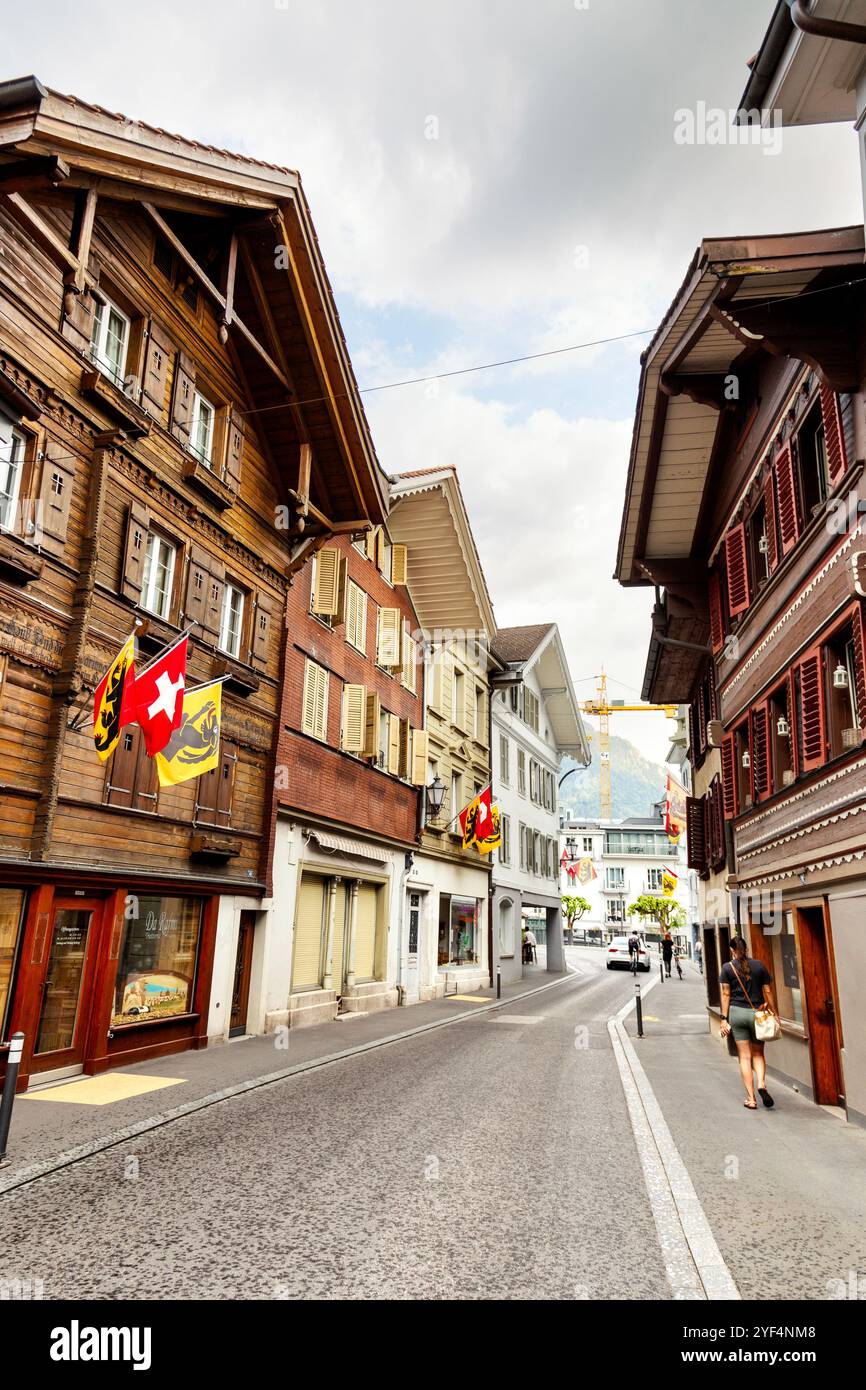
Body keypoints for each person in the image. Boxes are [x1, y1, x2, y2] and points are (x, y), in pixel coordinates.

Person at [719, 936, 778, 1110]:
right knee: (758, 1053)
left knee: (744, 1057)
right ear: (746, 948)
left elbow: (726, 994)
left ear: (732, 950)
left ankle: (751, 1099)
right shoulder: (759, 966)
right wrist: (775, 1013)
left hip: (737, 1014)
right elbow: (767, 991)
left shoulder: (727, 968)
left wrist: (724, 1018)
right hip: (758, 1014)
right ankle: (761, 1084)